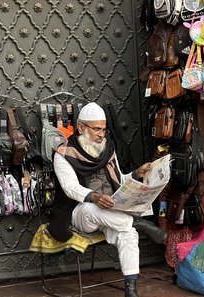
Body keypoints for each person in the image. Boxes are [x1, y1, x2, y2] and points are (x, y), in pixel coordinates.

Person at [48, 102, 166, 297]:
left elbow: (119, 179)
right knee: (90, 208)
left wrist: (136, 174)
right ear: (81, 128)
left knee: (128, 234)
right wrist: (94, 197)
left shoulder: (108, 149)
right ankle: (138, 222)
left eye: (103, 129)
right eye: (96, 129)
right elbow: (70, 188)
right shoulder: (63, 153)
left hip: (111, 212)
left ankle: (131, 290)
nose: (101, 134)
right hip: (79, 213)